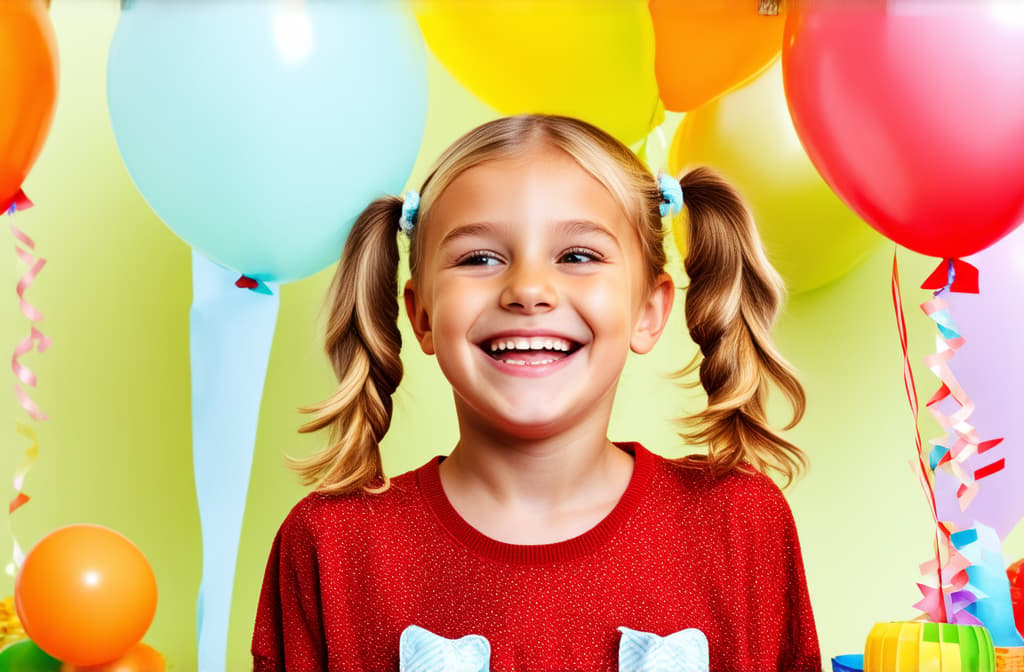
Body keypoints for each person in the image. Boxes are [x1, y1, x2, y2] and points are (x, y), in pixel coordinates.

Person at [252, 114, 820, 671]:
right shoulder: (331, 548)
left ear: (649, 311)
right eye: (479, 258)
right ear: (422, 315)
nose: (527, 289)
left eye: (577, 256)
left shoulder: (739, 528)